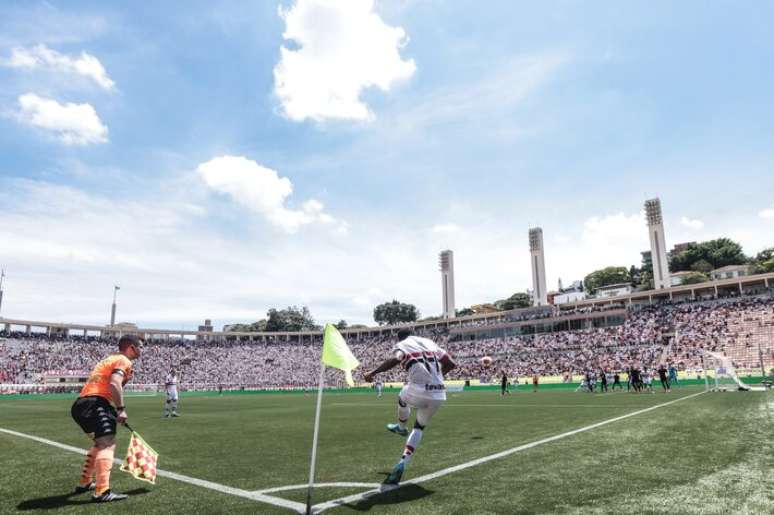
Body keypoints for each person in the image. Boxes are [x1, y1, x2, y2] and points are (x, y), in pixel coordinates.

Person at [364, 328, 456, 486]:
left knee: (401, 397)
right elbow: (451, 363)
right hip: (439, 393)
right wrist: (438, 378)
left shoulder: (402, 345)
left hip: (418, 388)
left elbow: (395, 359)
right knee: (419, 428)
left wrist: (373, 373)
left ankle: (400, 427)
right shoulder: (429, 343)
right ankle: (402, 463)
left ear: (399, 338)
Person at [70, 334, 142, 502]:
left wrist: (124, 382)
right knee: (107, 444)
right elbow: (114, 384)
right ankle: (102, 492)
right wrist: (121, 409)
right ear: (131, 347)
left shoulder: (110, 359)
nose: (142, 350)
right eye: (140, 346)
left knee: (100, 443)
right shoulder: (124, 360)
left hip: (83, 404)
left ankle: (85, 482)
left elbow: (112, 385)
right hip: (96, 403)